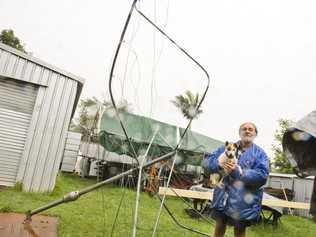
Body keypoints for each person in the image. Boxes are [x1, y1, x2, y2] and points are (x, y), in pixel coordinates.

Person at [203, 122, 269, 237]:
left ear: (255, 133)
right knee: (219, 225)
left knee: (239, 230)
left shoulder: (260, 154)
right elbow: (207, 163)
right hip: (223, 196)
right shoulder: (226, 147)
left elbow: (262, 176)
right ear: (240, 132)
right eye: (244, 129)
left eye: (250, 129)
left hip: (243, 201)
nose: (247, 131)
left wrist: (239, 172)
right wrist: (219, 165)